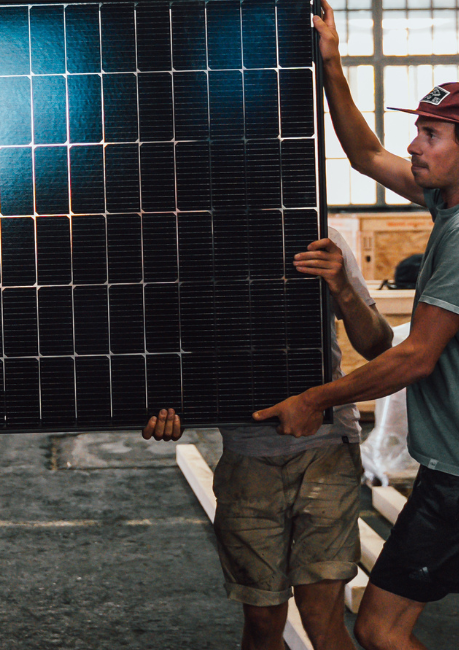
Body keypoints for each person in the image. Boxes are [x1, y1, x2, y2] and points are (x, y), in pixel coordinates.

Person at [252, 0, 459, 650]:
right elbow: (365, 154)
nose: (414, 144)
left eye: (431, 134)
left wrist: (314, 397)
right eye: (420, 129)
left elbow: (414, 358)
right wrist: (332, 64)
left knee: (380, 629)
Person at [143, 229, 395, 650]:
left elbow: (378, 345)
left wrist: (342, 286)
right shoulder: (183, 245)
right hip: (246, 459)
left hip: (326, 450)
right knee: (261, 622)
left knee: (322, 620)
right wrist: (166, 409)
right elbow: (170, 349)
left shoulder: (320, 239)